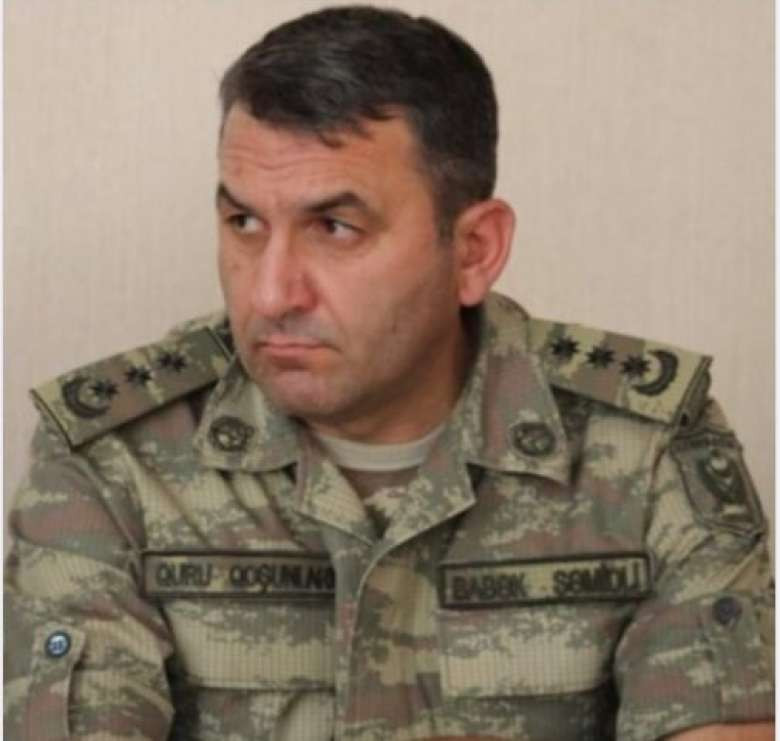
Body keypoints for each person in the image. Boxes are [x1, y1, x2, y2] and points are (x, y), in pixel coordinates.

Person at [4, 5, 773, 740]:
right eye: (244, 222)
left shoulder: (645, 446)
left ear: (473, 250)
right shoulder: (114, 456)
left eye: (335, 227)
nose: (270, 293)